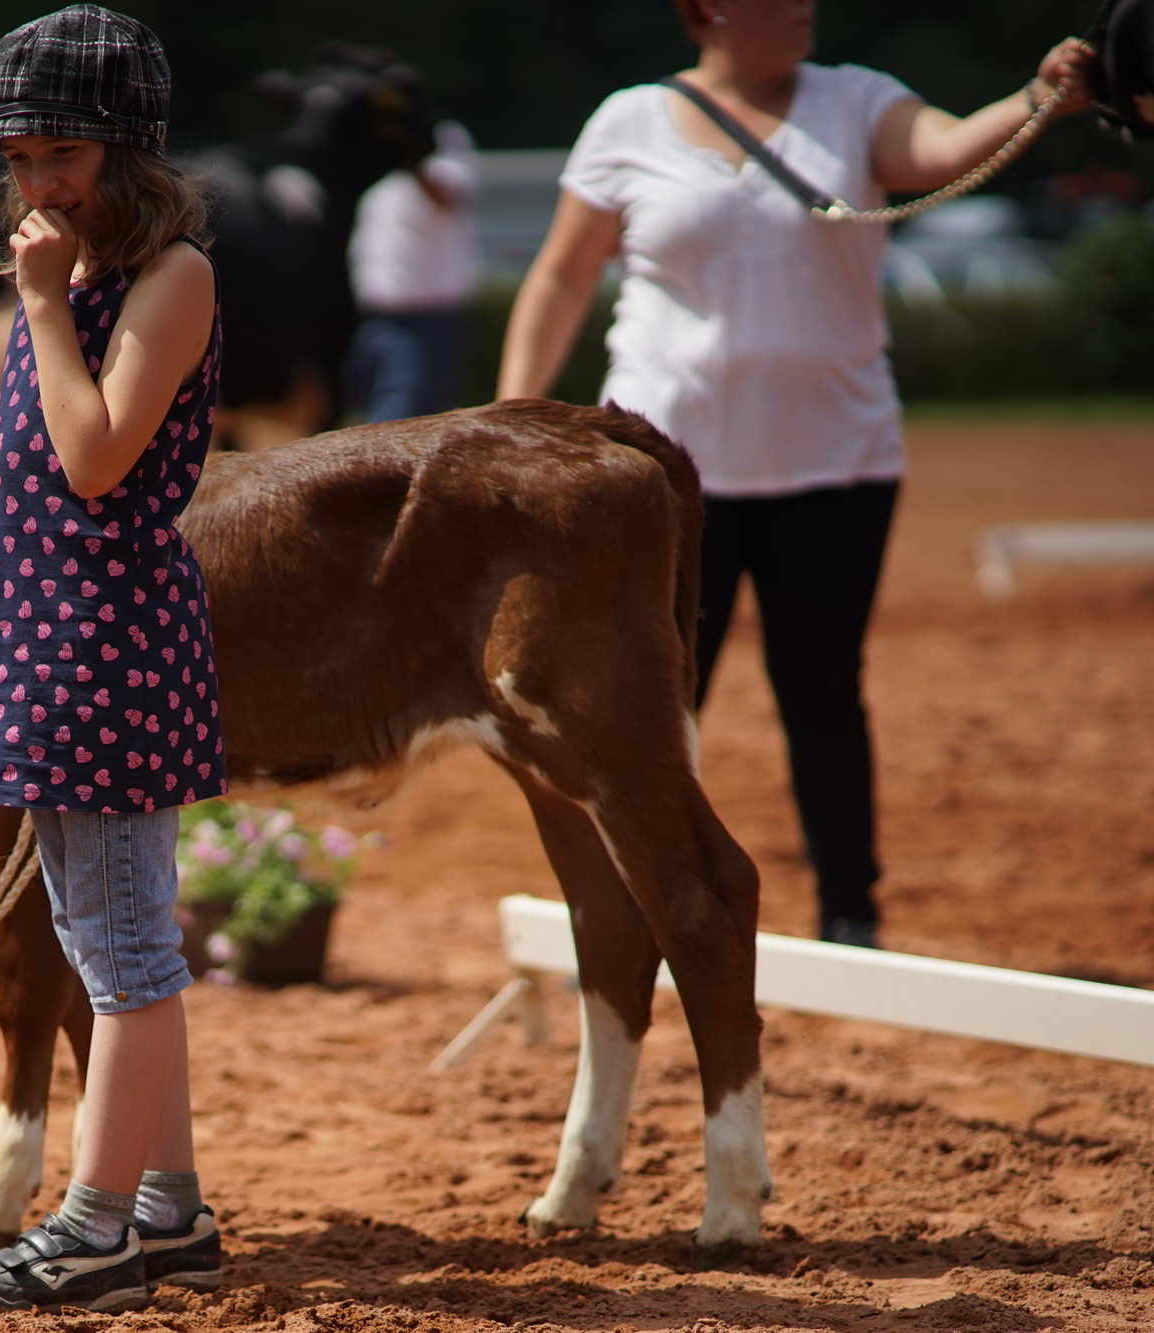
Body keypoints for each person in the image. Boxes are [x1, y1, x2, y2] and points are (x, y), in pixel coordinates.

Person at [496, 0, 1094, 948]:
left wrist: (1036, 96)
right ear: (713, 11)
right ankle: (630, 913)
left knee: (822, 690)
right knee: (652, 700)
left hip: (837, 460)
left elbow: (942, 149)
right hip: (662, 475)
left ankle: (850, 917)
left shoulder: (858, 102)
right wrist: (514, 417)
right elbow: (565, 275)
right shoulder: (629, 120)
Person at [0, 4, 225, 1314]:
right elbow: (31, 492)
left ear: (129, 152)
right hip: (48, 640)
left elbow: (99, 462)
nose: (39, 184)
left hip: (106, 650)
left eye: (63, 156)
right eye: (21, 159)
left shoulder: (169, 280)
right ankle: (171, 1212)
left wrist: (39, 306)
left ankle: (96, 1230)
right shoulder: (82, 284)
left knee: (122, 953)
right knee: (124, 939)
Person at [346, 119, 482, 422]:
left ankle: (388, 471)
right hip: (376, 316)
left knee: (403, 414)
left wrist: (414, 154)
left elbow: (447, 196)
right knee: (369, 407)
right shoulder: (385, 181)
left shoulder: (443, 159)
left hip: (425, 317)